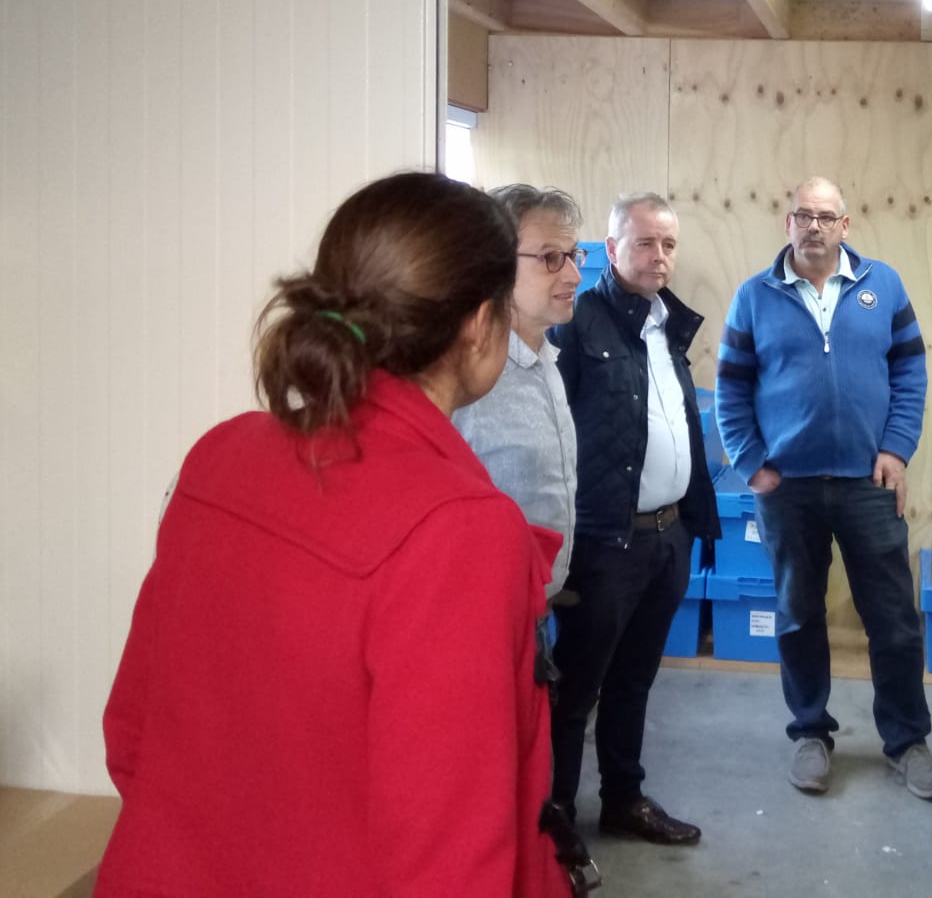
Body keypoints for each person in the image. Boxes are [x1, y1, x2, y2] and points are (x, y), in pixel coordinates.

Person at [97, 171, 575, 897]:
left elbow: (131, 735)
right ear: (480, 324)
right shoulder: (460, 529)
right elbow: (450, 861)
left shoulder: (220, 454)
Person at [715, 176, 932, 800]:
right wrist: (752, 463)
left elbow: (911, 371)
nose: (814, 226)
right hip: (788, 489)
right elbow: (730, 387)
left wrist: (896, 449)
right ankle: (810, 731)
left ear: (845, 224)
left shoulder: (882, 286)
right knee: (797, 616)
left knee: (893, 619)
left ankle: (907, 739)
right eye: (803, 215)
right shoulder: (754, 296)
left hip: (869, 482)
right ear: (787, 223)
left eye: (826, 216)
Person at [546, 192, 720, 847]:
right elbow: (554, 435)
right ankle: (558, 821)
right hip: (604, 543)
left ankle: (623, 799)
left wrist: (691, 524)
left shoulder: (666, 324)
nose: (659, 256)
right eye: (645, 243)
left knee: (634, 680)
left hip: (667, 538)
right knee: (576, 690)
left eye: (668, 244)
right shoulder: (576, 324)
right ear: (612, 248)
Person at [454, 185, 585, 602]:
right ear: (494, 264)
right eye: (550, 258)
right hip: (482, 607)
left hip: (536, 604)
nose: (574, 275)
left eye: (573, 255)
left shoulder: (546, 358)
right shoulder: (465, 377)